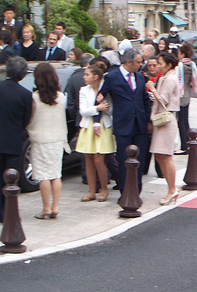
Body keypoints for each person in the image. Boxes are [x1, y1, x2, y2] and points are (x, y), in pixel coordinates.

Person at [99, 48, 150, 194]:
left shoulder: (140, 77)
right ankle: (125, 192)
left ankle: (136, 192)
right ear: (129, 62)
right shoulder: (112, 77)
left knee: (139, 160)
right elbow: (100, 96)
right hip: (123, 124)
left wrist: (148, 120)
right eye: (139, 62)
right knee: (123, 160)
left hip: (140, 125)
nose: (141, 65)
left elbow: (145, 100)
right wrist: (98, 117)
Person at [27, 62, 70, 219]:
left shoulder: (34, 98)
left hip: (40, 139)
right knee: (55, 174)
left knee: (43, 175)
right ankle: (55, 207)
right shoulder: (61, 97)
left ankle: (46, 208)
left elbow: (31, 118)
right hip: (57, 139)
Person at [76, 61, 114, 203]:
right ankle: (92, 191)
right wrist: (97, 108)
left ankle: (104, 189)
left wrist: (103, 105)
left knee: (99, 159)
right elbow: (83, 111)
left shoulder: (106, 90)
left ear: (96, 76)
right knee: (89, 159)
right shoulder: (83, 90)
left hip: (103, 126)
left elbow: (110, 110)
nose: (84, 77)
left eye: (87, 74)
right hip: (88, 126)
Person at [0, 57, 32, 223]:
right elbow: (26, 120)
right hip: (13, 140)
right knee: (11, 178)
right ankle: (8, 211)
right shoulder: (26, 95)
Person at [146, 52, 180, 205]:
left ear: (169, 65)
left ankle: (172, 189)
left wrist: (152, 89)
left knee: (165, 156)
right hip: (161, 119)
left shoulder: (170, 79)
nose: (158, 66)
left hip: (166, 120)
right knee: (160, 156)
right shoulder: (165, 77)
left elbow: (164, 100)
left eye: (160, 63)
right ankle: (171, 188)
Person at [175, 43, 197, 155]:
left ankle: (184, 146)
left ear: (182, 54)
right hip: (187, 94)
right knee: (185, 121)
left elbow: (178, 81)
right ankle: (188, 142)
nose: (177, 55)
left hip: (181, 95)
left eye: (178, 53)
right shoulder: (191, 64)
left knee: (181, 122)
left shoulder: (180, 66)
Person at [143, 56, 163, 178]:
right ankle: (144, 168)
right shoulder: (145, 77)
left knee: (158, 142)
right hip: (147, 112)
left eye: (154, 65)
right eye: (149, 65)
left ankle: (160, 170)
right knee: (147, 141)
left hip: (159, 113)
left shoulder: (162, 78)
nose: (152, 67)